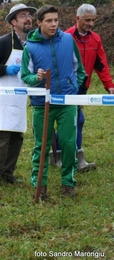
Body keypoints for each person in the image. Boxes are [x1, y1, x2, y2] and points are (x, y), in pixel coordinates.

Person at [21, 5, 86, 199]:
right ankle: (40, 186)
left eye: (56, 20)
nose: (54, 24)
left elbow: (79, 69)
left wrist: (73, 88)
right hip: (42, 103)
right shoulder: (30, 46)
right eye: (49, 21)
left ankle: (68, 183)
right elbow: (25, 75)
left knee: (68, 143)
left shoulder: (67, 39)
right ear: (39, 22)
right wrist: (37, 78)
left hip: (67, 102)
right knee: (41, 145)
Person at [50, 4, 114, 172]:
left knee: (72, 121)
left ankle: (57, 155)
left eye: (93, 20)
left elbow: (101, 65)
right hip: (65, 88)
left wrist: (109, 86)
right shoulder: (65, 37)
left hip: (82, 87)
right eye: (87, 20)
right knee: (76, 120)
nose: (91, 24)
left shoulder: (96, 39)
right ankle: (75, 159)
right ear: (77, 19)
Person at [0, 3, 36, 186]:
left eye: (29, 15)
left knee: (17, 136)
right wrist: (5, 69)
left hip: (19, 96)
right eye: (23, 16)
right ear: (13, 22)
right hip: (3, 96)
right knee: (2, 136)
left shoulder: (32, 42)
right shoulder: (3, 42)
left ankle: (7, 173)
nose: (28, 19)